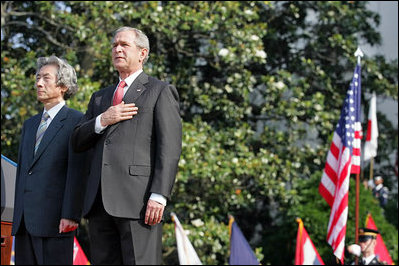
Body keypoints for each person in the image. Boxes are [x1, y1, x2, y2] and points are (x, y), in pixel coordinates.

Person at [71, 26, 182, 265]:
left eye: (124, 45)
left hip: (139, 203)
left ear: (142, 53)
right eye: (114, 45)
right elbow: (77, 140)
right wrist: (103, 119)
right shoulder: (100, 97)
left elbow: (169, 148)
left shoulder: (159, 91)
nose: (117, 49)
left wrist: (159, 195)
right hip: (99, 203)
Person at [11, 56, 88, 265]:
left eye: (46, 78)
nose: (38, 83)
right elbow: (23, 173)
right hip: (24, 223)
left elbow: (77, 171)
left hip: (56, 222)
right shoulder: (30, 124)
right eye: (37, 78)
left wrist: (71, 214)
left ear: (63, 85)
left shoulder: (77, 121)